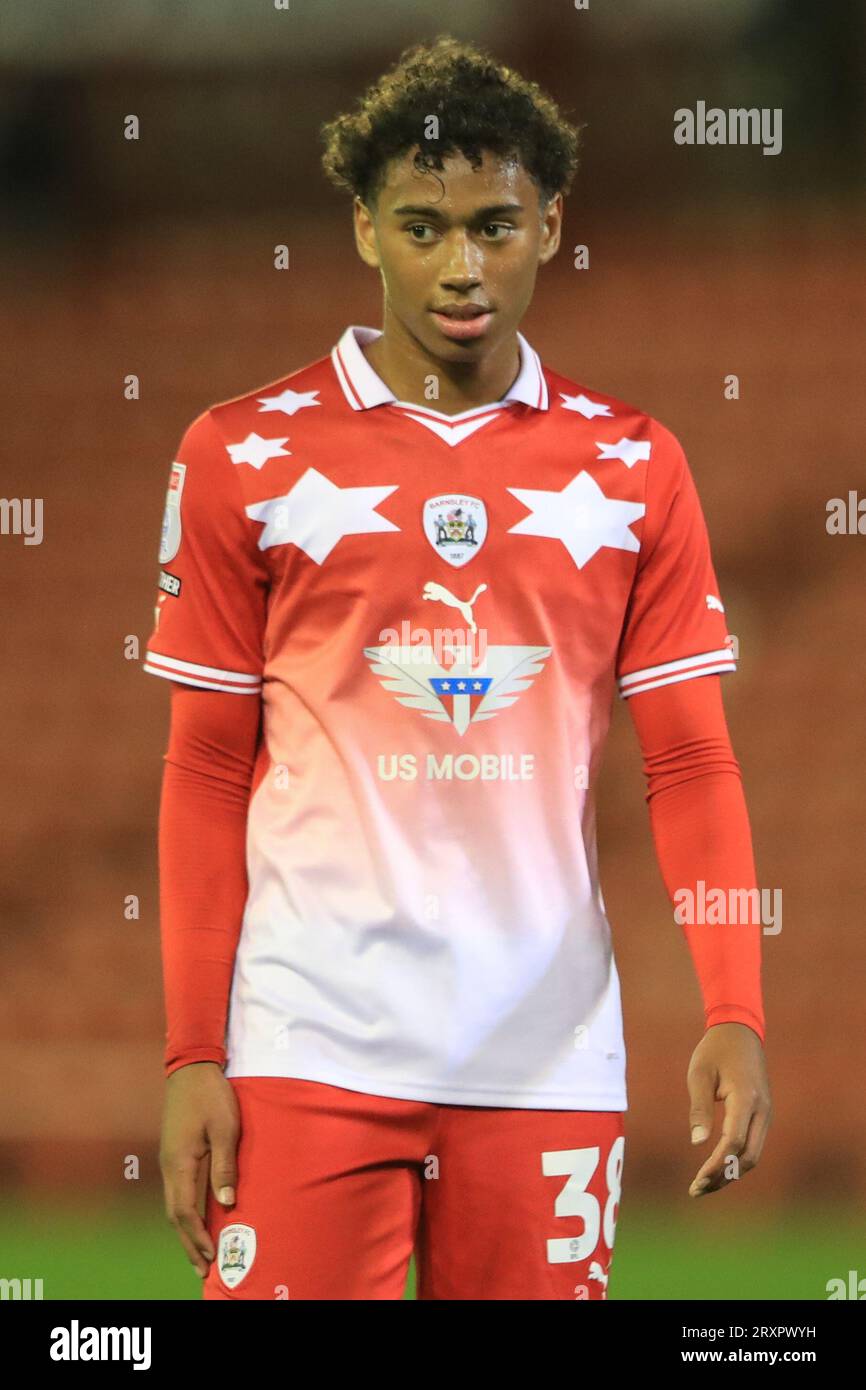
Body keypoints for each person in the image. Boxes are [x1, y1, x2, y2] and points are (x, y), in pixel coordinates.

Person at [147, 35, 771, 1301]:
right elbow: (208, 766)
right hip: (306, 1044)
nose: (462, 265)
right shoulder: (241, 455)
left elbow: (693, 758)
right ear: (364, 230)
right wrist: (190, 1053)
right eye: (423, 227)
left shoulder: (631, 467)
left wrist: (734, 1007)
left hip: (543, 1057)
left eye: (495, 224)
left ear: (550, 224)